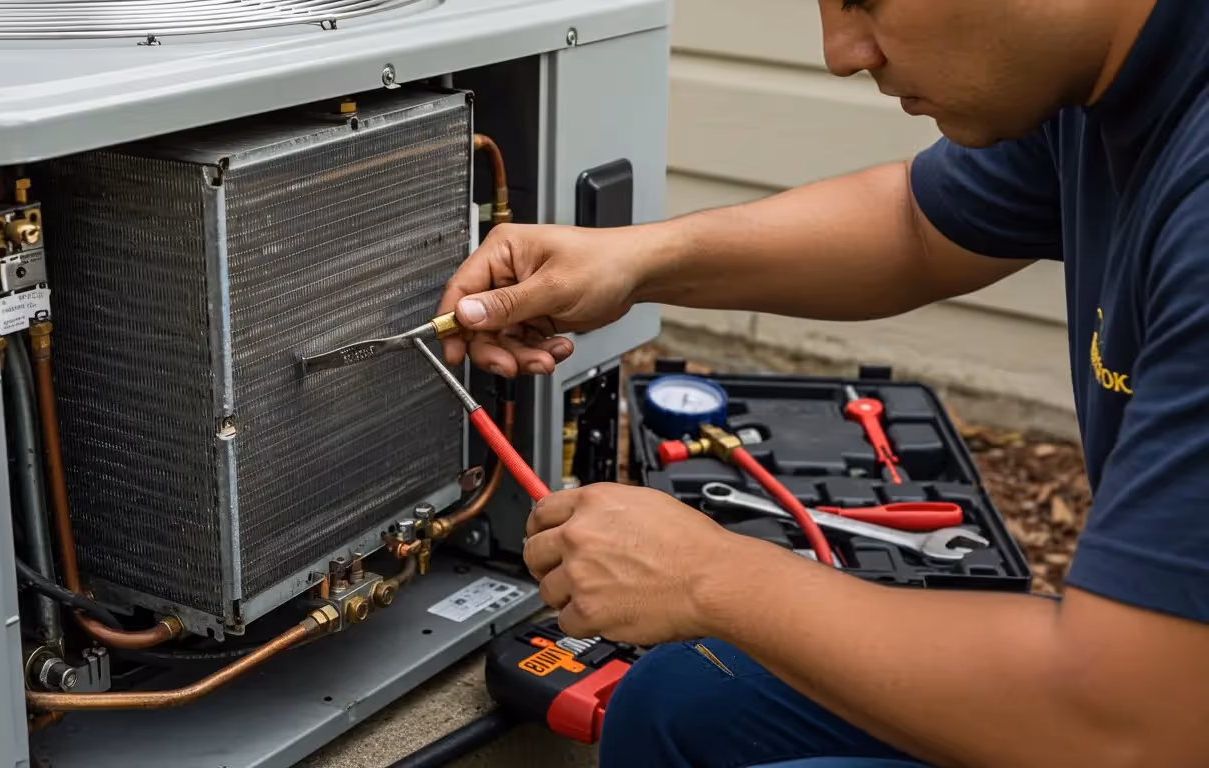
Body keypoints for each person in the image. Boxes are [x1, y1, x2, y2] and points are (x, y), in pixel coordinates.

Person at [435, 0, 1209, 766]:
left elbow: (1126, 726)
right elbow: (916, 224)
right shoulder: (1097, 78)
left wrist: (708, 578)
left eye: (868, 0)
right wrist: (635, 261)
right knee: (682, 699)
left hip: (1142, 719)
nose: (840, 53)